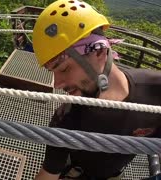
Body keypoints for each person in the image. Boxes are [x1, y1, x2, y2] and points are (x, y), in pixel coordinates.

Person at [32, 0, 161, 179]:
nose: (57, 83)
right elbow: (50, 173)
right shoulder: (66, 118)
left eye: (64, 69)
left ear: (99, 52)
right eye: (53, 71)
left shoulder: (156, 92)